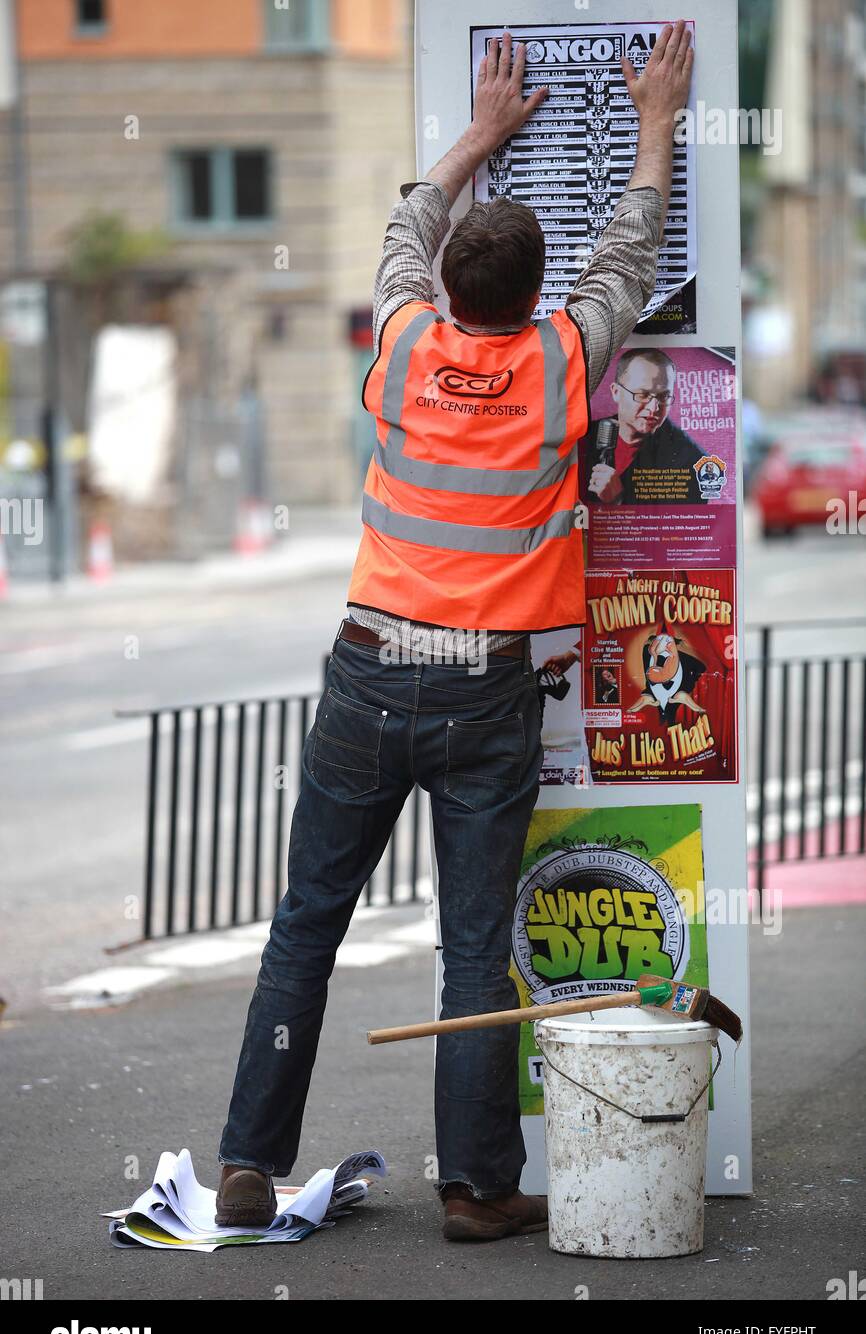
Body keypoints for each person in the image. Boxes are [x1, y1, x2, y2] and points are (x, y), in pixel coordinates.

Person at [216, 22, 694, 1242]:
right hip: (482, 691)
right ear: (534, 298)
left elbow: (401, 230)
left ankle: (247, 1161)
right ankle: (478, 1189)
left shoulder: (402, 340)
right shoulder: (562, 364)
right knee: (471, 946)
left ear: (447, 294)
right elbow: (630, 250)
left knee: (303, 927)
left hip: (367, 674)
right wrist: (652, 118)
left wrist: (478, 133)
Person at [584, 347, 705, 505]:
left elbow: (678, 525)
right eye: (642, 395)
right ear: (616, 392)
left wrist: (620, 500)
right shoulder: (583, 438)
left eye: (664, 396)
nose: (653, 408)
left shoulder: (691, 460)